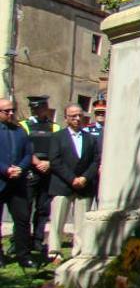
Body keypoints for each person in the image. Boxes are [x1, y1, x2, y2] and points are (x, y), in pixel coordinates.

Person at [47, 103, 101, 260]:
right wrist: (72, 179)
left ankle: (78, 252)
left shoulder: (90, 138)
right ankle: (54, 251)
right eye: (73, 116)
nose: (77, 119)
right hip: (62, 185)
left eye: (79, 115)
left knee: (81, 223)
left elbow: (96, 161)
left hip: (83, 186)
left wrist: (84, 178)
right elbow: (55, 160)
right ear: (66, 119)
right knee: (58, 220)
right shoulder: (57, 137)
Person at [20, 95, 60, 257]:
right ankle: (22, 241)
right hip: (30, 170)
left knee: (43, 209)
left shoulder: (55, 127)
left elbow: (58, 148)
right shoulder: (24, 125)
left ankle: (38, 240)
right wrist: (37, 163)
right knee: (25, 208)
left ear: (45, 108)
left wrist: (49, 163)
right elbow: (23, 148)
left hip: (48, 172)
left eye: (39, 108)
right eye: (33, 108)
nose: (36, 111)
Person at [0, 98, 34, 267]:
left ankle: (23, 255)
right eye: (7, 111)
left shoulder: (20, 130)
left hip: (18, 183)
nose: (11, 113)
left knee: (22, 219)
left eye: (12, 110)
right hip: (1, 180)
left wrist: (20, 168)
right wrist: (5, 170)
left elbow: (29, 153)